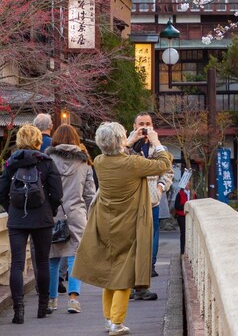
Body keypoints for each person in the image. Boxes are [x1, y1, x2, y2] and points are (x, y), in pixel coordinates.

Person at [73, 122, 173, 336]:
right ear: (120, 141)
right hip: (128, 223)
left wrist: (128, 141)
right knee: (124, 274)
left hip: (105, 222)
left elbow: (113, 151)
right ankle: (117, 323)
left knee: (110, 273)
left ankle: (109, 319)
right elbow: (163, 165)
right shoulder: (133, 164)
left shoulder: (99, 161)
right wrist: (156, 142)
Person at [0, 124, 63, 323]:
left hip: (17, 219)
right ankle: (42, 307)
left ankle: (19, 310)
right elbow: (57, 194)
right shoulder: (47, 162)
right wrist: (50, 209)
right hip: (42, 218)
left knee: (17, 264)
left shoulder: (11, 163)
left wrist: (13, 210)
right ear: (38, 141)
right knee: (42, 262)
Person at [45, 124, 96, 314]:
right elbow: (90, 194)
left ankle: (52, 300)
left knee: (53, 258)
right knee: (76, 255)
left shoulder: (48, 160)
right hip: (77, 213)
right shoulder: (84, 163)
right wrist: (90, 216)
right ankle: (73, 299)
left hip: (53, 213)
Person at [128, 112, 174, 300]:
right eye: (141, 124)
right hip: (130, 202)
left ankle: (144, 281)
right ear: (134, 125)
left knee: (149, 243)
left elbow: (168, 170)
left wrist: (161, 188)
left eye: (148, 123)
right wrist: (130, 142)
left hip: (152, 200)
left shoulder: (158, 148)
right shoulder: (127, 145)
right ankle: (130, 285)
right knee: (130, 245)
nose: (145, 127)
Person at [171, 171, 191, 255]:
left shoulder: (192, 194)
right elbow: (177, 206)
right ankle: (182, 250)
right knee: (183, 232)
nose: (188, 185)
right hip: (181, 215)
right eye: (186, 183)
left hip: (190, 216)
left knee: (189, 233)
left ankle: (188, 250)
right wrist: (186, 205)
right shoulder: (180, 194)